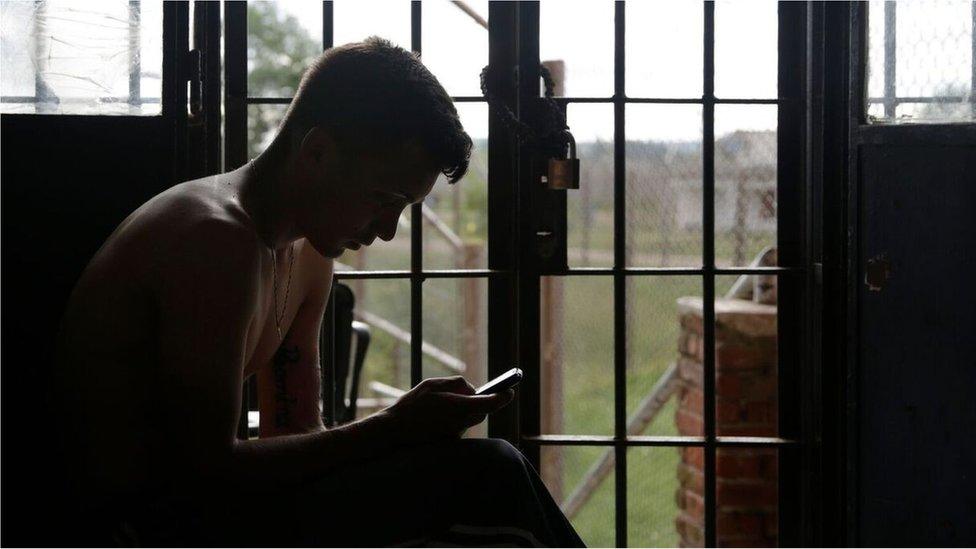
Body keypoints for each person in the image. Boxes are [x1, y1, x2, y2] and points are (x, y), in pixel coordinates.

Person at [54, 37, 583, 547]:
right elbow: (204, 473)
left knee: (488, 474)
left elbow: (295, 431)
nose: (388, 230)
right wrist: (393, 430)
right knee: (491, 476)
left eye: (403, 208)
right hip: (137, 525)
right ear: (318, 152)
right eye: (382, 197)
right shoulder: (212, 239)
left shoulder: (308, 254)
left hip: (214, 509)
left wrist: (411, 439)